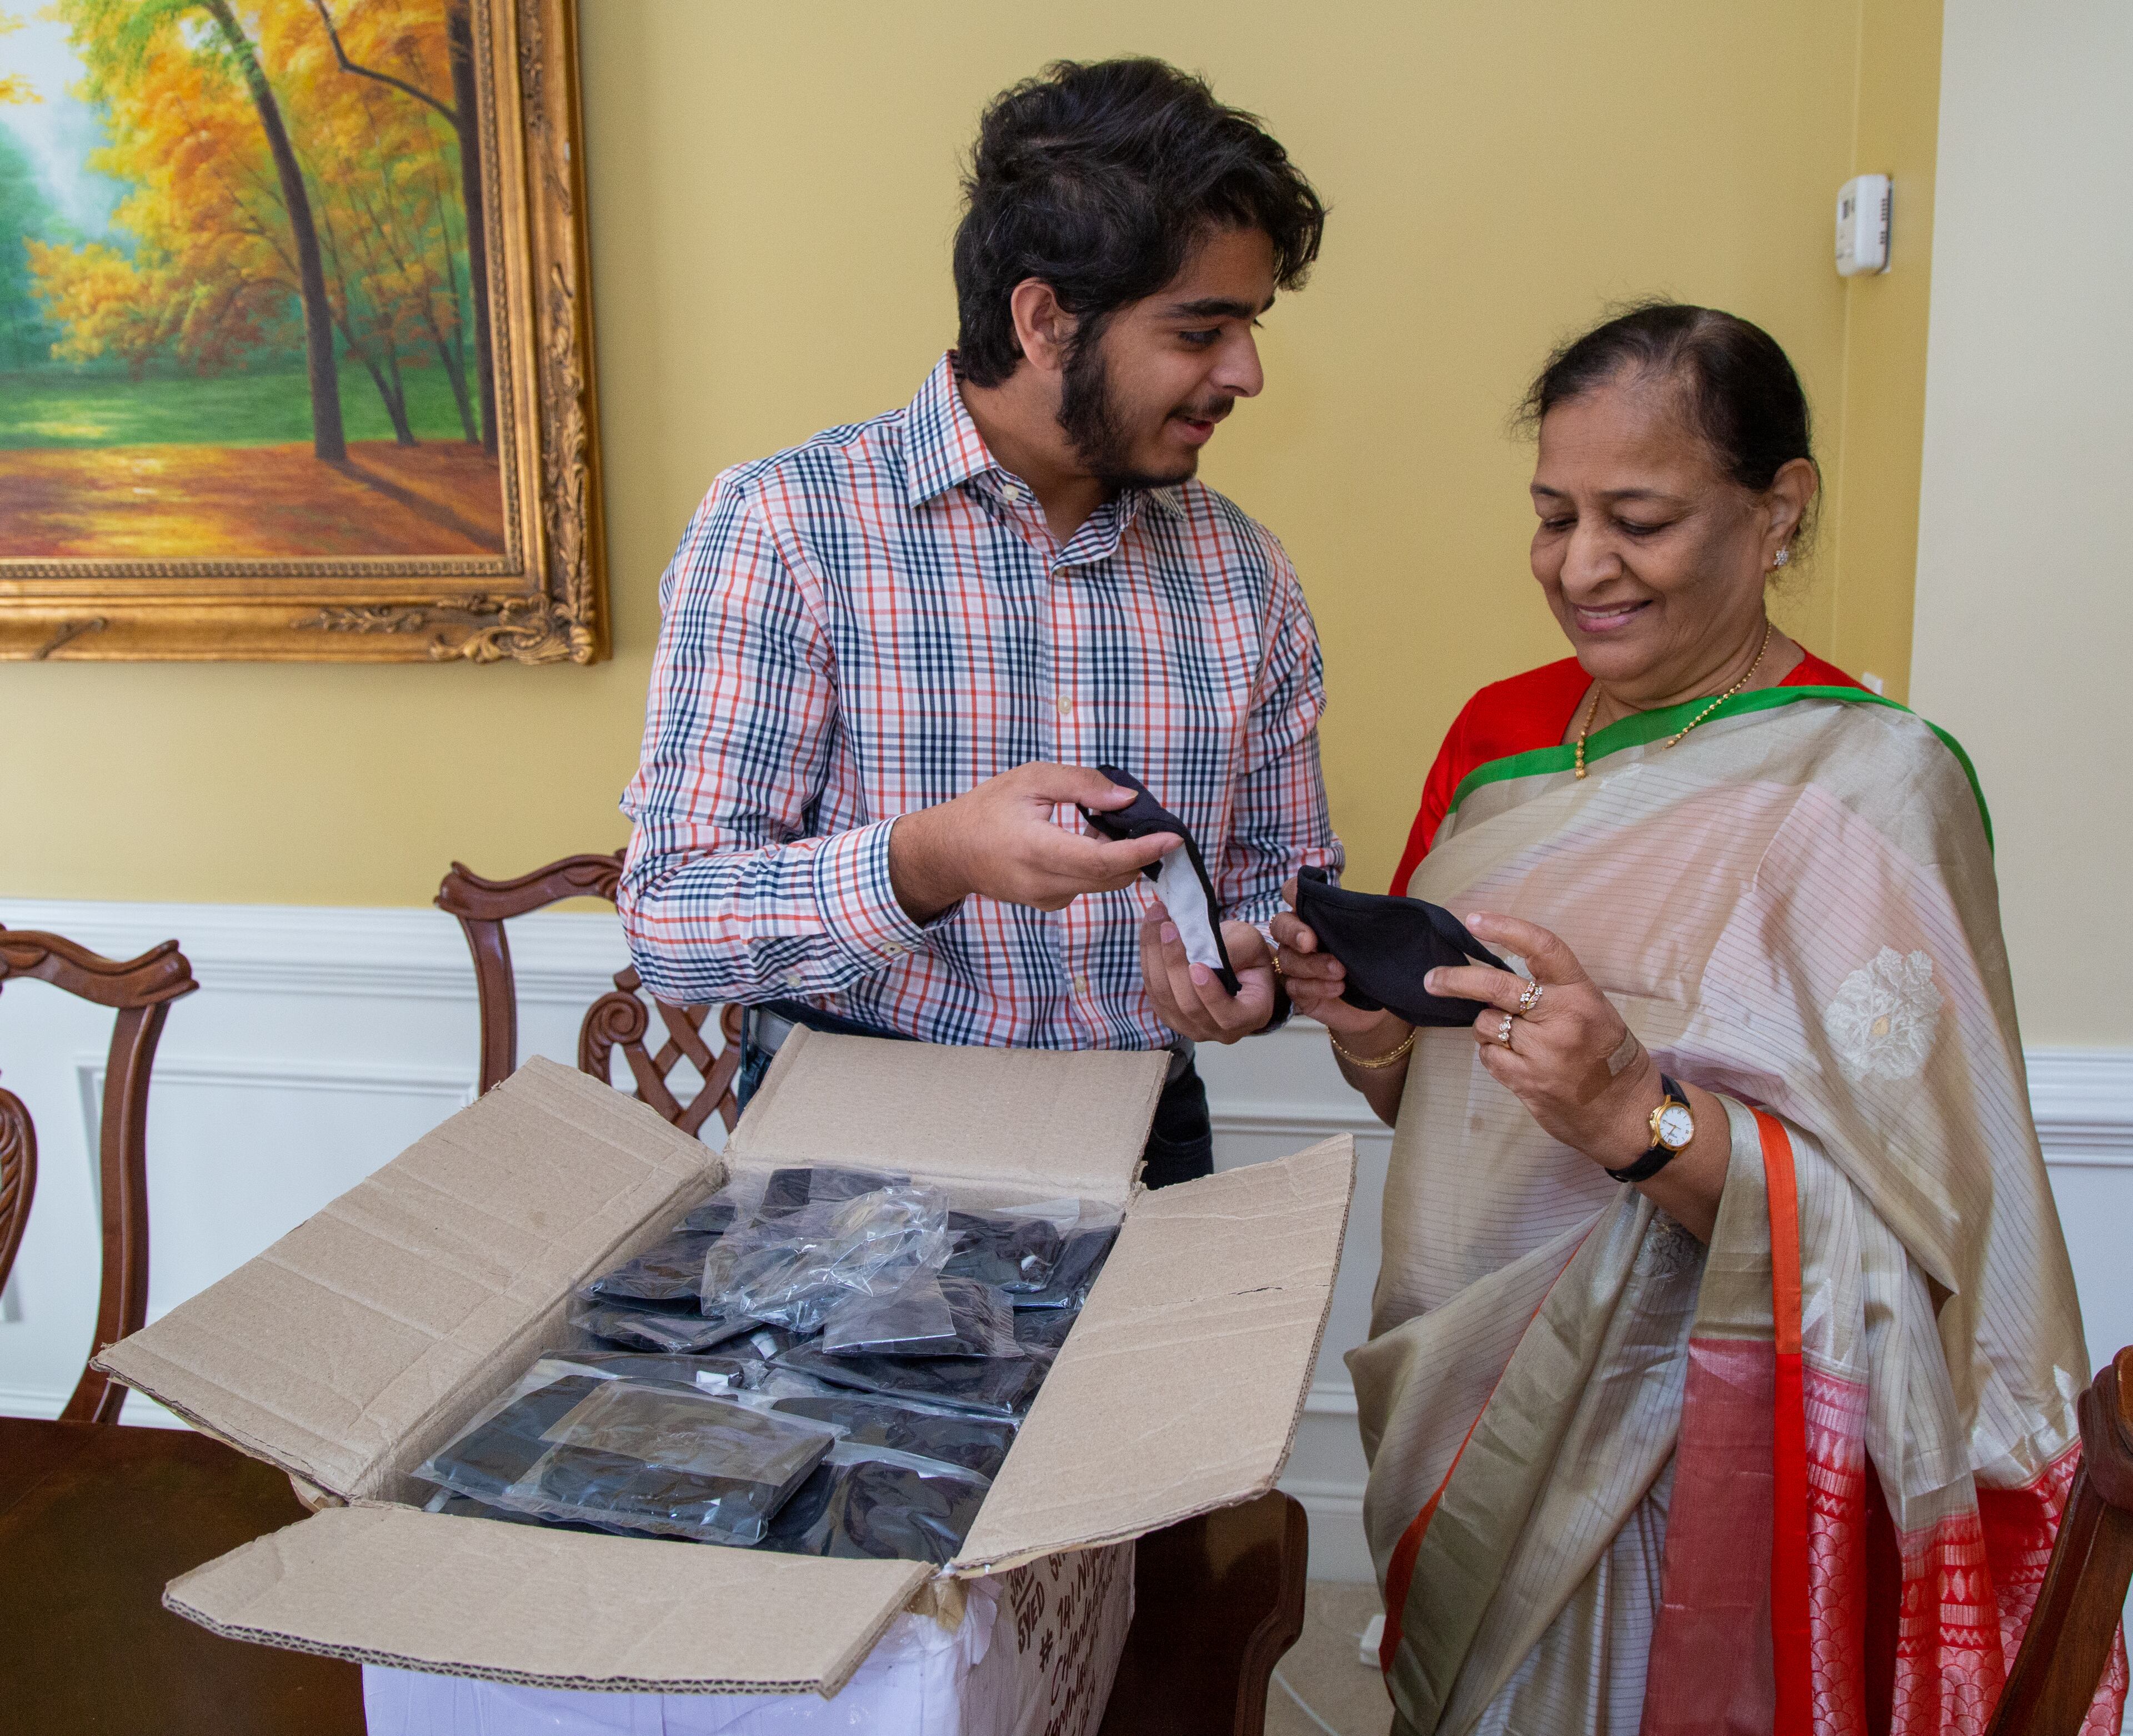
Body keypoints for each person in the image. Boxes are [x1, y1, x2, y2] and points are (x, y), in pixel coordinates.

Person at [1272, 304, 2125, 1733]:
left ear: (1777, 508)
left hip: (1690, 1441)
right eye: (1553, 516)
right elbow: (1453, 1108)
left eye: (1640, 518)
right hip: (1458, 1390)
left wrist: (1637, 1118)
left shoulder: (1871, 791)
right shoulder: (1501, 744)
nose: (1582, 566)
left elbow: (1917, 1252)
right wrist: (1366, 1030)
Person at [617, 58, 1341, 1187]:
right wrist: (931, 859)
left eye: (1247, 327)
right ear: (1046, 320)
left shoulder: (1245, 572)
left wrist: (1250, 967)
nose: (1244, 372)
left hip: (1145, 1140)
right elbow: (670, 916)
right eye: (1202, 331)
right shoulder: (787, 526)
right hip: (847, 1161)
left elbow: (1284, 884)